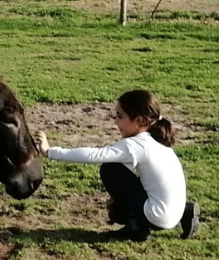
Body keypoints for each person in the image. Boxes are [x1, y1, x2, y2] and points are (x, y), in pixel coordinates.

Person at [35, 89, 200, 241]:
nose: (115, 122)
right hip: (173, 211)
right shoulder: (157, 139)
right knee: (122, 172)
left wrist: (50, 151)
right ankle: (185, 211)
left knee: (110, 168)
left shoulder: (135, 145)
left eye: (120, 116)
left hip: (157, 216)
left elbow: (95, 155)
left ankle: (136, 228)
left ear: (140, 120)